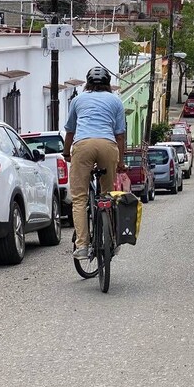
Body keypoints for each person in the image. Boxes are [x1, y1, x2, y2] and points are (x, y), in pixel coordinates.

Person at [62, 66, 126, 260]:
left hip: (83, 145)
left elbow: (70, 132)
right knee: (107, 195)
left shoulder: (78, 100)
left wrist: (66, 153)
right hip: (108, 145)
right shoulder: (116, 101)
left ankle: (82, 245)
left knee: (79, 198)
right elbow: (120, 135)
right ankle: (112, 239)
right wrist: (120, 162)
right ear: (107, 84)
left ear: (88, 83)